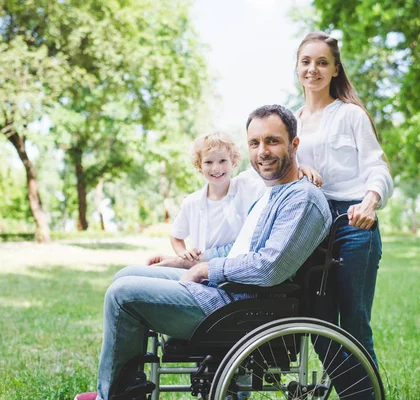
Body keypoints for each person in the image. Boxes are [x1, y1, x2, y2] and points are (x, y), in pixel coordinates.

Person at [74, 104, 332, 400]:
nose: (263, 151)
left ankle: (114, 397)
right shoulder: (270, 193)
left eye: (272, 141)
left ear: (294, 144)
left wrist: (207, 270)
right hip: (226, 290)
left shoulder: (302, 200)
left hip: (240, 307)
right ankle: (126, 388)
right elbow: (235, 250)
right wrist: (185, 261)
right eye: (255, 142)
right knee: (125, 275)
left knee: (122, 295)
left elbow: (269, 267)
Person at [293, 30, 393, 387]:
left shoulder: (351, 115)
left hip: (353, 222)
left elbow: (377, 167)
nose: (313, 69)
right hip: (309, 227)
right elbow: (276, 170)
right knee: (317, 323)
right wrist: (299, 169)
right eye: (306, 62)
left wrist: (370, 200)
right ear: (297, 68)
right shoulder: (292, 121)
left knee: (353, 325)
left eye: (322, 62)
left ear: (335, 69)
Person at [169, 131, 322, 262]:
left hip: (234, 266)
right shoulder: (192, 202)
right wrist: (182, 253)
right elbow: (176, 235)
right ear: (199, 166)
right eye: (208, 162)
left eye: (222, 160)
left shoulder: (247, 186)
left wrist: (301, 169)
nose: (216, 168)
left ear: (233, 161)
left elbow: (278, 178)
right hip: (200, 266)